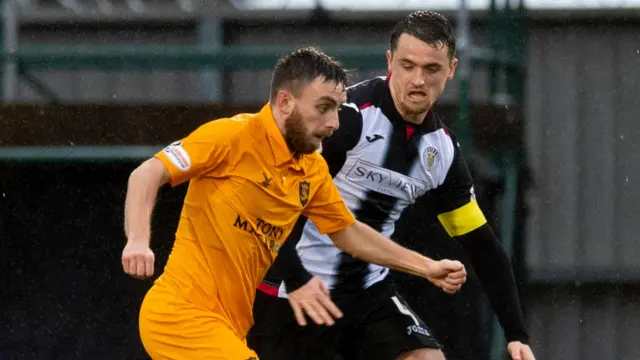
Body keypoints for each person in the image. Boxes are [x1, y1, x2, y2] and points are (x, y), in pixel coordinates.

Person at [121, 46, 467, 360]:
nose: (334, 122)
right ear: (286, 102)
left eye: (337, 107)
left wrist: (426, 267)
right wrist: (138, 239)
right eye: (324, 108)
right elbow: (147, 174)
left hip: (229, 328)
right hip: (178, 314)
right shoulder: (232, 137)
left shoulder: (311, 168)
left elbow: (347, 232)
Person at [247, 11, 536, 360]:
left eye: (431, 69)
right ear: (389, 62)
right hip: (293, 290)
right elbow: (274, 204)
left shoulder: (441, 153)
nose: (418, 80)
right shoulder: (346, 119)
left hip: (368, 293)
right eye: (407, 65)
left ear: (452, 70)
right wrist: (293, 278)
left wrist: (516, 333)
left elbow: (482, 246)